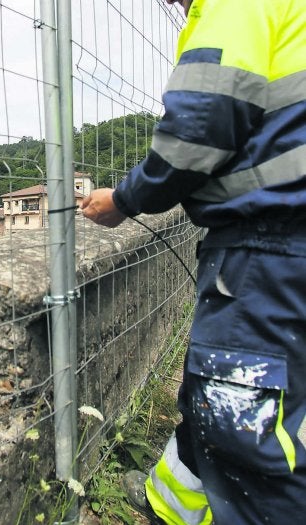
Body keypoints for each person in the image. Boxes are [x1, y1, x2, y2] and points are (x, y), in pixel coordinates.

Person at [81, 0, 306, 523]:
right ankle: (172, 508)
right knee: (253, 404)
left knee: (246, 426)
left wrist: (124, 199)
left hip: (268, 251)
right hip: (285, 249)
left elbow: (199, 127)